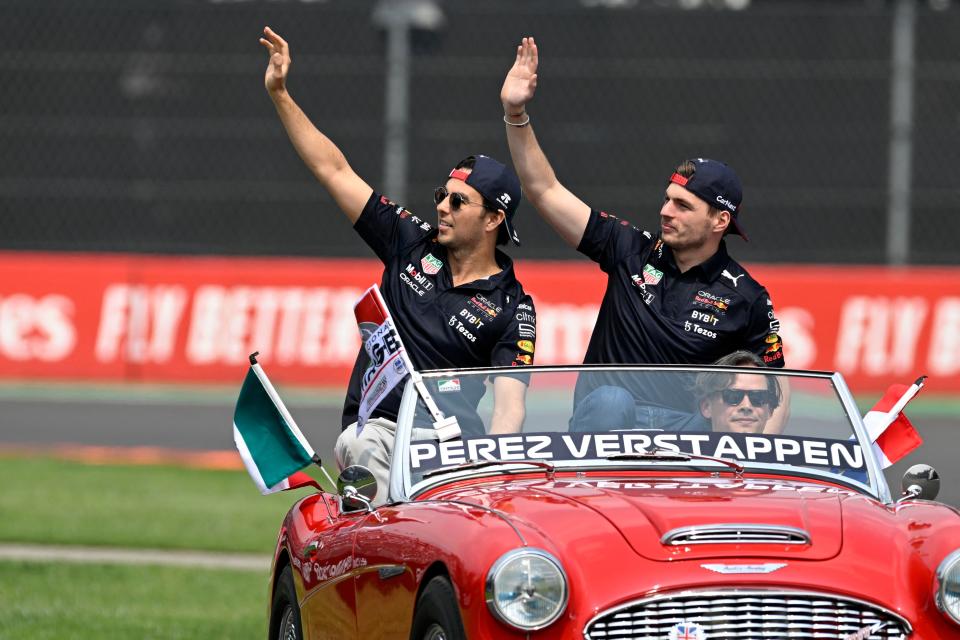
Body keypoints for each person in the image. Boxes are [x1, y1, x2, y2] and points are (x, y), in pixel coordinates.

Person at [260, 27, 537, 504]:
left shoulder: (514, 306)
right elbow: (334, 170)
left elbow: (509, 406)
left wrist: (488, 473)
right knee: (367, 446)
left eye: (458, 200)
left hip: (449, 451)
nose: (442, 207)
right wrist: (280, 94)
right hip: (377, 433)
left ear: (494, 218)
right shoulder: (408, 240)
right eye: (441, 196)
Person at [499, 36, 788, 434]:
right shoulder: (628, 248)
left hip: (689, 435)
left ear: (720, 221)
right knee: (612, 401)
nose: (665, 212)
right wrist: (516, 112)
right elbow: (544, 190)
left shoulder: (747, 296)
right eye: (668, 200)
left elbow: (775, 386)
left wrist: (760, 463)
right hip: (608, 425)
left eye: (683, 206)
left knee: (726, 423)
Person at [693, 351, 782, 434]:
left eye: (758, 397)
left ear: (770, 410)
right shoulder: (682, 450)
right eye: (733, 396)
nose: (747, 406)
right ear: (706, 407)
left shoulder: (790, 451)